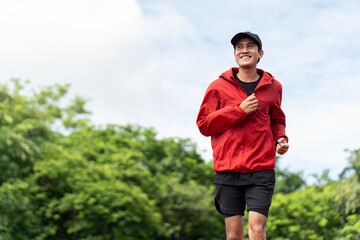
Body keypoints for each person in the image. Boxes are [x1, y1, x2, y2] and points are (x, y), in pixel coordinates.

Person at [196, 31, 289, 240]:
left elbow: (276, 120)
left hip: (261, 168)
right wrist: (239, 111)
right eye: (239, 47)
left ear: (260, 53)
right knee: (233, 235)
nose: (244, 50)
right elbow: (204, 125)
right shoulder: (218, 87)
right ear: (235, 54)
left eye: (250, 46)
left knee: (257, 230)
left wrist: (280, 139)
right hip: (228, 169)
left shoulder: (274, 87)